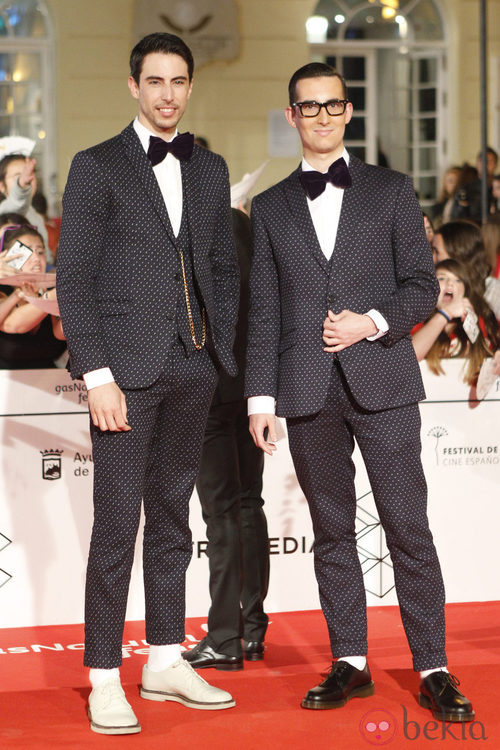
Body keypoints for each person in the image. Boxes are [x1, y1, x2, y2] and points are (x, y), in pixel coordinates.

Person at [245, 61, 474, 722]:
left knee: (407, 527)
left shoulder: (391, 190)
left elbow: (422, 287)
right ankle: (351, 660)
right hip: (305, 389)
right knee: (333, 532)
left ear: (348, 112)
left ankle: (433, 667)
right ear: (292, 116)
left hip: (384, 383)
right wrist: (260, 399)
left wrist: (370, 322)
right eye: (308, 106)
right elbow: (264, 310)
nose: (320, 116)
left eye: (331, 105)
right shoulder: (271, 207)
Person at [56, 32, 239, 736]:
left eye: (179, 81)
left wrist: (218, 353)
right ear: (134, 85)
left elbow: (221, 268)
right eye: (155, 81)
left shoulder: (210, 168)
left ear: (190, 86)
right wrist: (97, 374)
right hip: (123, 377)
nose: (168, 94)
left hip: (192, 368)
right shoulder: (96, 164)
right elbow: (75, 278)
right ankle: (104, 676)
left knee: (172, 522)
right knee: (115, 528)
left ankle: (164, 659)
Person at [184, 208, 269, 672]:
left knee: (222, 515)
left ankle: (223, 637)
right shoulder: (240, 224)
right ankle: (251, 629)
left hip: (209, 388)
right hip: (250, 386)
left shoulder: (192, 227)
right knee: (248, 504)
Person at [412, 259, 498, 383]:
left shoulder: (479, 321)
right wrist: (445, 314)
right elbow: (408, 357)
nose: (450, 283)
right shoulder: (416, 320)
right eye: (442, 278)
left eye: (458, 280)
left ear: (465, 291)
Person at [0, 226, 64, 367]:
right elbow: (15, 325)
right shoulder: (3, 289)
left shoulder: (55, 287)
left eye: (40, 252)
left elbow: (61, 333)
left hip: (52, 377)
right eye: (27, 252)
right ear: (8, 258)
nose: (36, 258)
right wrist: (18, 295)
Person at [0, 155, 52, 260]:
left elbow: (46, 257)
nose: (29, 178)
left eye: (31, 173)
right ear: (2, 186)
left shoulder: (36, 216)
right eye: (17, 176)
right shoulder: (5, 211)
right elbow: (18, 200)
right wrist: (22, 184)